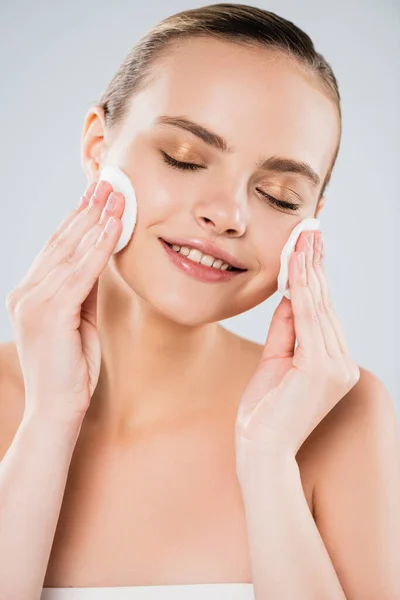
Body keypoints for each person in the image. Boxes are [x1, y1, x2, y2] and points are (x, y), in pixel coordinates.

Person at [0, 4, 399, 600]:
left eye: (280, 195)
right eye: (184, 158)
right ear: (97, 147)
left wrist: (268, 461)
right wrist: (50, 419)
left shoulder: (341, 414)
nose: (228, 215)